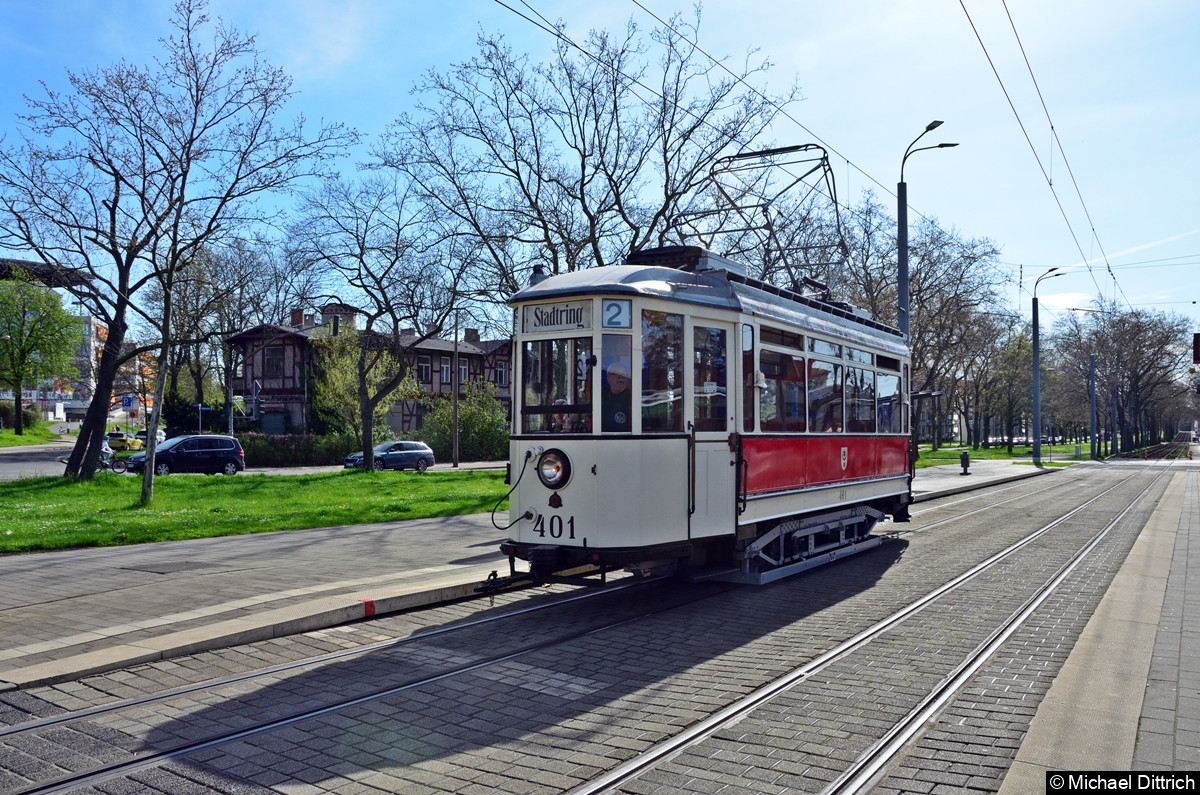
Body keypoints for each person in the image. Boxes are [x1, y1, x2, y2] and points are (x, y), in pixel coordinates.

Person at [601, 362, 632, 432]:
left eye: (623, 374)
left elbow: (646, 427)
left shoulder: (633, 397)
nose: (620, 377)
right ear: (608, 378)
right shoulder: (601, 394)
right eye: (615, 374)